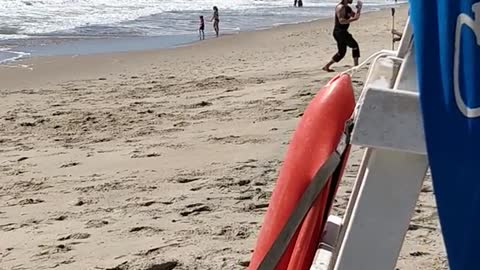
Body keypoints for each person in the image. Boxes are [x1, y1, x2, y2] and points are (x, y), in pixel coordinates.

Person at [322, 0, 362, 72]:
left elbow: (356, 16)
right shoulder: (340, 7)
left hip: (343, 32)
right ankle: (356, 66)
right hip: (339, 32)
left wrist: (359, 8)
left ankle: (326, 66)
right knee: (355, 46)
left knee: (341, 53)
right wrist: (353, 19)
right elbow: (341, 21)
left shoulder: (348, 8)